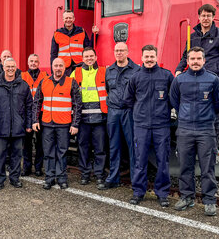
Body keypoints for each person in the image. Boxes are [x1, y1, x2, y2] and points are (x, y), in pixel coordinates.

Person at [169, 47, 219, 216]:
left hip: (206, 130)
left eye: (198, 58)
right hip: (185, 129)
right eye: (192, 59)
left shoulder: (213, 80)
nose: (195, 61)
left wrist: (207, 114)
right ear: (187, 61)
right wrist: (185, 114)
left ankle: (209, 200)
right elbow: (174, 100)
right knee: (185, 166)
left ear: (204, 60)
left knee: (207, 167)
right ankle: (187, 197)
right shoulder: (179, 81)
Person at [124, 45, 173, 207]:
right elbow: (128, 99)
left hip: (161, 125)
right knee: (140, 159)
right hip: (141, 126)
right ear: (142, 58)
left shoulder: (166, 76)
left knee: (162, 160)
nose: (149, 59)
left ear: (157, 57)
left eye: (152, 56)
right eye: (147, 56)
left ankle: (162, 193)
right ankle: (138, 191)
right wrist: (140, 112)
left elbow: (173, 98)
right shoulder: (135, 77)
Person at [33, 58, 82, 190]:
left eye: (61, 65)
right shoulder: (44, 82)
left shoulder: (71, 83)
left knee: (62, 152)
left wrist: (75, 124)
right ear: (52, 67)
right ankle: (49, 178)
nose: (58, 68)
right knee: (48, 152)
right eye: (56, 65)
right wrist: (35, 120)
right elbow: (37, 102)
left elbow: (77, 105)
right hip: (47, 124)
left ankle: (61, 178)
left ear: (65, 67)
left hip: (64, 124)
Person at [0, 58, 33, 190]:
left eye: (12, 66)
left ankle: (15, 178)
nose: (10, 69)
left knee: (16, 155)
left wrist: (28, 124)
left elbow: (29, 106)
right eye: (8, 66)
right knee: (0, 155)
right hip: (1, 127)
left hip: (18, 127)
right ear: (3, 67)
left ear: (16, 67)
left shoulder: (23, 85)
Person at [100, 42, 140, 190]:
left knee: (132, 146)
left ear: (128, 52)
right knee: (114, 145)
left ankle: (136, 180)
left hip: (129, 111)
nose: (119, 53)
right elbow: (108, 89)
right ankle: (113, 178)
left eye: (122, 50)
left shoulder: (136, 70)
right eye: (117, 50)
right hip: (113, 111)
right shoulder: (109, 70)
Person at [69, 47, 107, 186]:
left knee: (100, 148)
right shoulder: (76, 72)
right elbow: (69, 93)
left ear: (96, 57)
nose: (89, 58)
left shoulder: (103, 72)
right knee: (83, 147)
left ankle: (99, 175)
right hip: (82, 119)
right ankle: (85, 174)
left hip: (99, 119)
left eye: (91, 56)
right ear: (82, 58)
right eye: (86, 56)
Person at [175, 4, 219, 80]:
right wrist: (179, 70)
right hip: (195, 78)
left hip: (214, 79)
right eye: (203, 16)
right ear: (199, 17)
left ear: (213, 17)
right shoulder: (192, 37)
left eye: (208, 16)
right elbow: (186, 56)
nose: (206, 18)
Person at [20, 54, 48, 176]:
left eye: (36, 61)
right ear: (28, 62)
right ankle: (26, 167)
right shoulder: (22, 76)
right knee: (26, 142)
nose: (33, 63)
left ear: (39, 63)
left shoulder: (45, 76)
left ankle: (38, 167)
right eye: (31, 61)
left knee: (40, 142)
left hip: (40, 112)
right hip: (26, 112)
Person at [50, 10, 97, 75]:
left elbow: (88, 48)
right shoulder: (57, 34)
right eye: (66, 18)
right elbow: (53, 54)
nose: (68, 20)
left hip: (80, 65)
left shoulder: (81, 31)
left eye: (70, 18)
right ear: (63, 19)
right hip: (64, 67)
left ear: (73, 19)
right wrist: (53, 72)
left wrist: (94, 34)